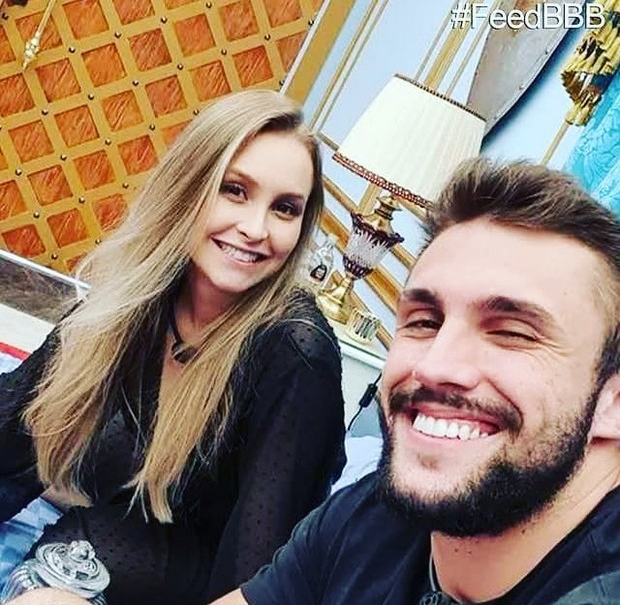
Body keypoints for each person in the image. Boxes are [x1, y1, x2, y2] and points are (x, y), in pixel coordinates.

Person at [10, 158, 620, 605]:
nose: (437, 366)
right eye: (423, 320)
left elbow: (250, 548)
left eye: (512, 332)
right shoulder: (374, 516)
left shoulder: (294, 352)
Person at [0, 90, 346, 605]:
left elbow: (261, 571)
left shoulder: (296, 353)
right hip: (96, 542)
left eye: (284, 209)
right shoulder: (139, 297)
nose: (256, 229)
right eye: (234, 190)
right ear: (189, 186)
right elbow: (16, 423)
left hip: (196, 579)